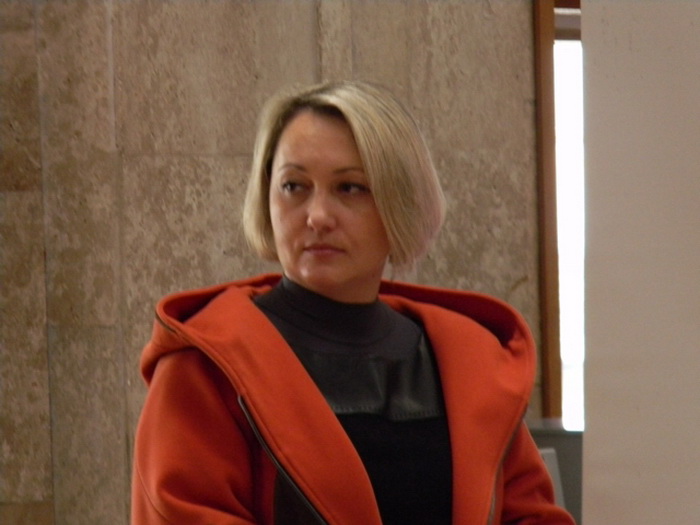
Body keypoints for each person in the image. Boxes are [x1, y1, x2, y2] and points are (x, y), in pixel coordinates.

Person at [131, 80, 575, 524]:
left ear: (402, 202)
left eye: (350, 188)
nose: (317, 216)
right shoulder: (206, 369)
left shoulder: (470, 362)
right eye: (294, 186)